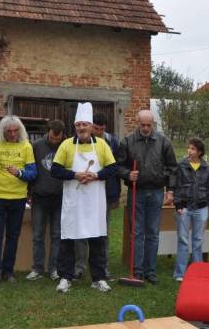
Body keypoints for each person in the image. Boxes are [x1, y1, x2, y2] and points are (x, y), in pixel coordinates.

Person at [50, 102, 117, 293]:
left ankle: (99, 278)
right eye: (78, 125)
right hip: (74, 201)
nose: (81, 128)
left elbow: (112, 168)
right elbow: (55, 170)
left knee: (97, 240)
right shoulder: (66, 145)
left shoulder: (102, 145)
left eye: (85, 124)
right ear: (75, 126)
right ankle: (65, 277)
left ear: (91, 126)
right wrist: (75, 175)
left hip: (94, 202)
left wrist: (96, 175)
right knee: (68, 239)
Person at [115, 109, 177, 284]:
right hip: (136, 191)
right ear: (137, 123)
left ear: (153, 124)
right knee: (136, 232)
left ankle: (150, 270)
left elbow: (172, 168)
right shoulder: (128, 141)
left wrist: (170, 190)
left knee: (153, 232)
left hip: (156, 191)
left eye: (148, 125)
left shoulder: (163, 141)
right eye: (142, 125)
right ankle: (137, 270)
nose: (145, 128)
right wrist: (128, 174)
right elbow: (117, 166)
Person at [0, 116, 37, 288]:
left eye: (16, 131)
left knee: (13, 236)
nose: (13, 134)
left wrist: (19, 173)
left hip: (18, 197)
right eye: (9, 131)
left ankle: (8, 271)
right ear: (3, 131)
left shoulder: (26, 146)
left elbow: (33, 173)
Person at [74, 112, 121, 280]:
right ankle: (79, 266)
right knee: (81, 230)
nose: (99, 131)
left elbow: (115, 168)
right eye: (96, 128)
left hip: (105, 192)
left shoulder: (112, 142)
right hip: (83, 191)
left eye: (102, 129)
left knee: (102, 231)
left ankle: (103, 266)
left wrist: (115, 194)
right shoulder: (78, 142)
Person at [26, 119, 66, 281]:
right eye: (52, 137)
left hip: (60, 197)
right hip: (40, 197)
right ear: (47, 132)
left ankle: (54, 268)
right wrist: (30, 191)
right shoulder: (36, 146)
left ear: (62, 135)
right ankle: (37, 268)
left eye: (57, 138)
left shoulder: (67, 146)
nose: (54, 141)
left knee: (57, 234)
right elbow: (31, 168)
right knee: (38, 235)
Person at [171, 137, 209, 281]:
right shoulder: (181, 165)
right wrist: (178, 204)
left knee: (198, 240)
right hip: (184, 208)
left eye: (193, 149)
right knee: (183, 240)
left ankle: (197, 272)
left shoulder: (206, 167)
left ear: (200, 152)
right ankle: (180, 273)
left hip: (201, 208)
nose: (189, 151)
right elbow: (175, 185)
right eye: (189, 148)